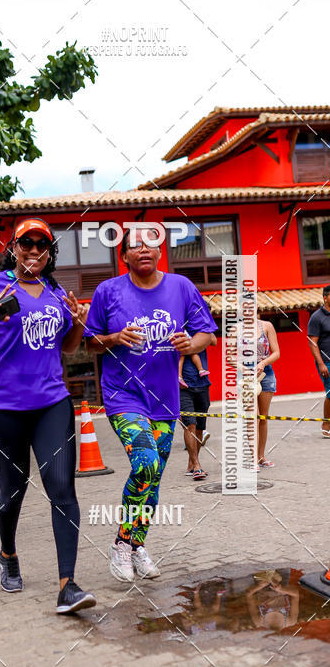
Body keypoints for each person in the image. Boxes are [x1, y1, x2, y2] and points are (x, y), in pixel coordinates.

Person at [0, 217, 97, 614]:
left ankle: (67, 584)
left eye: (41, 245)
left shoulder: (54, 292)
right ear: (13, 249)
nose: (33, 250)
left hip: (52, 403)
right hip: (1, 408)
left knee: (62, 488)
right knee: (13, 491)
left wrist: (79, 323)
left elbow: (67, 348)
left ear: (49, 252)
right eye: (25, 244)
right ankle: (8, 553)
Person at [85, 225, 216, 584]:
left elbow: (207, 332)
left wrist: (192, 345)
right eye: (135, 246)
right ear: (124, 255)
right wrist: (114, 337)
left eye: (151, 244)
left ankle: (136, 544)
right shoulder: (107, 291)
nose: (144, 249)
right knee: (145, 462)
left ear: (160, 253)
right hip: (122, 395)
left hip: (164, 400)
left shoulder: (181, 287)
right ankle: (121, 546)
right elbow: (89, 342)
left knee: (153, 478)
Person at [180, 334, 217, 480]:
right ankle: (196, 465)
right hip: (183, 388)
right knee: (190, 424)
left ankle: (191, 464)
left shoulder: (201, 328)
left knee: (200, 427)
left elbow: (213, 340)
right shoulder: (176, 325)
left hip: (202, 384)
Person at [255, 315, 279, 467]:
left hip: (266, 373)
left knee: (263, 418)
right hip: (246, 375)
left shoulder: (267, 326)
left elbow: (276, 352)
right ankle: (251, 459)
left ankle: (261, 456)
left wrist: (263, 363)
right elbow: (230, 357)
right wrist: (244, 368)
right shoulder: (235, 329)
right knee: (253, 418)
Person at [307, 284, 330, 437]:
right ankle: (326, 423)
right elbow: (312, 342)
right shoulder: (316, 317)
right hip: (327, 362)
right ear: (325, 297)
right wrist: (321, 363)